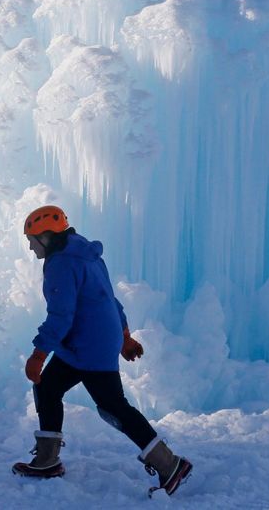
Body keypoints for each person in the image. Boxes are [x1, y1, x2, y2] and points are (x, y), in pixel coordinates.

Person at [11, 205, 193, 497]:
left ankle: (170, 465)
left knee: (113, 407)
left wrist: (38, 354)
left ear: (46, 237)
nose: (31, 247)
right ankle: (47, 461)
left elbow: (61, 316)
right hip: (91, 340)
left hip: (89, 345)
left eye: (32, 240)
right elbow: (108, 298)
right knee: (47, 387)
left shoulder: (61, 263)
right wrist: (124, 336)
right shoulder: (85, 253)